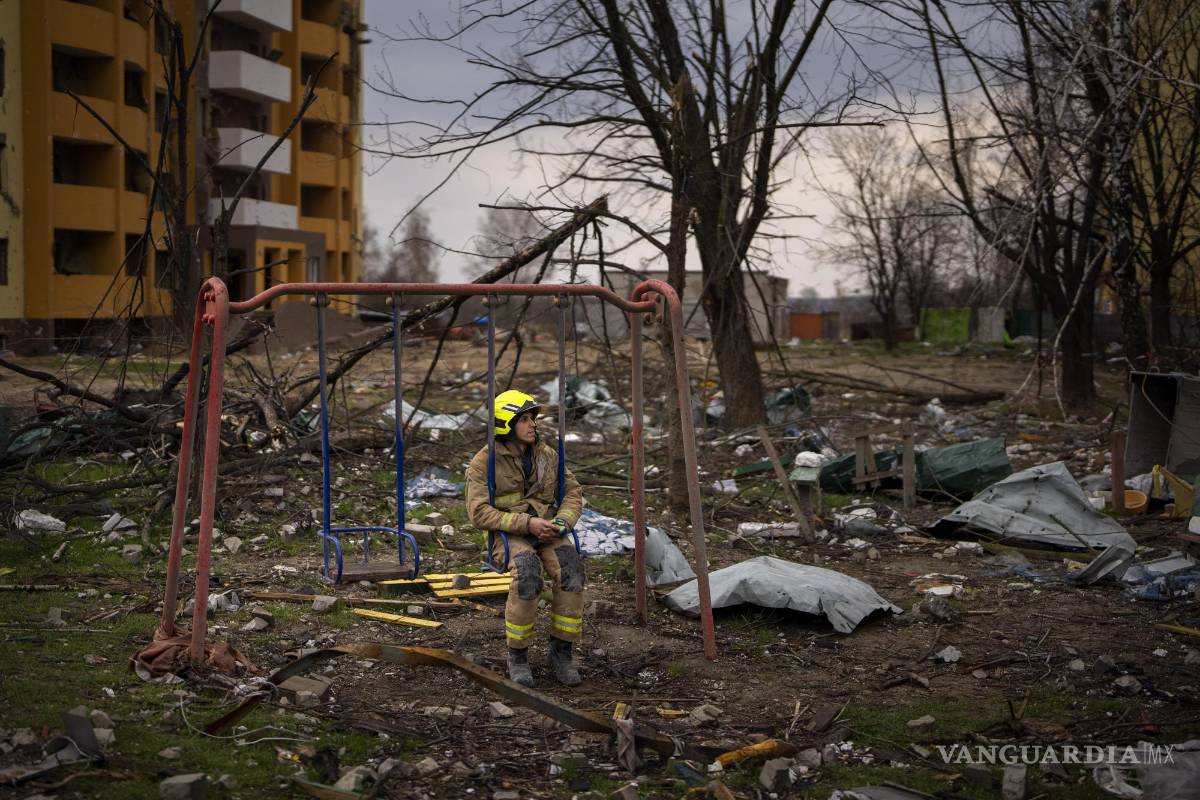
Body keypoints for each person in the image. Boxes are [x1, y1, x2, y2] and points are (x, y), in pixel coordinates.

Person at [465, 389, 585, 687]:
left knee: (571, 569)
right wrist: (526, 523)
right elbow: (478, 512)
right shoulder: (483, 463)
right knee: (527, 573)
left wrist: (561, 522)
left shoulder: (547, 455)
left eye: (533, 419)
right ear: (506, 423)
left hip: (547, 530)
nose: (533, 425)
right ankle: (517, 655)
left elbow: (572, 492)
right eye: (525, 419)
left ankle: (562, 652)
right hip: (507, 535)